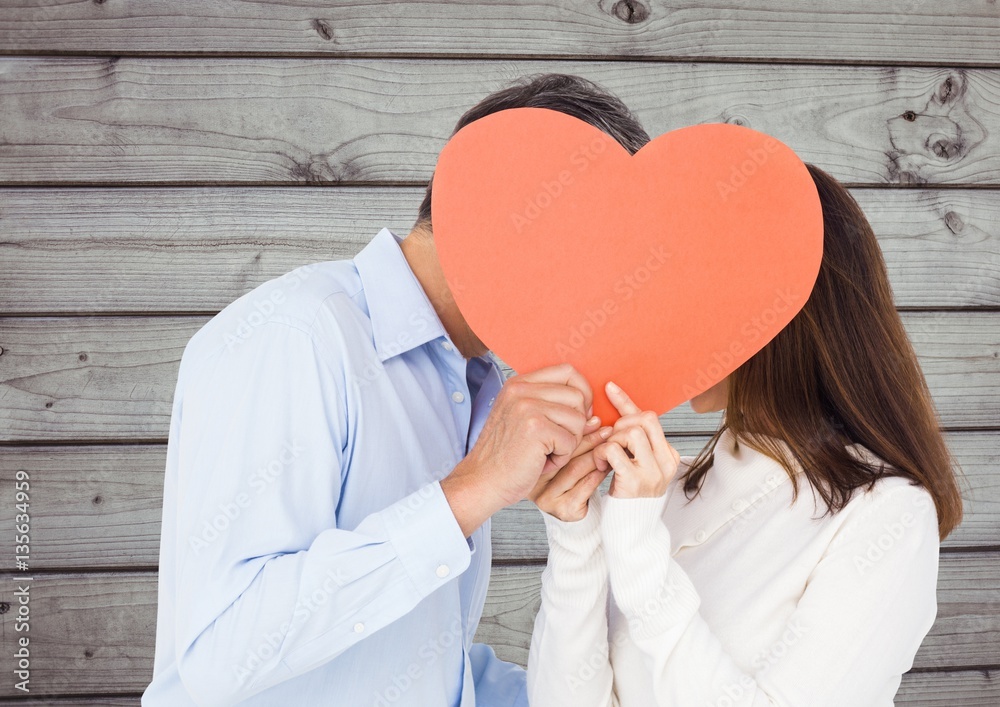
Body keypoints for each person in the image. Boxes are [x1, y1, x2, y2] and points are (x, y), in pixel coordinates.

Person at [141, 73, 650, 706]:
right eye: (600, 256)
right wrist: (469, 491)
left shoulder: (469, 381)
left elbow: (410, 661)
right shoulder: (294, 337)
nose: (604, 298)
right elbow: (220, 655)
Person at [527, 164, 965, 706]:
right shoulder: (664, 492)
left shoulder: (888, 516)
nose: (660, 316)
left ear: (773, 316)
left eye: (688, 288)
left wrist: (641, 556)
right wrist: (576, 538)